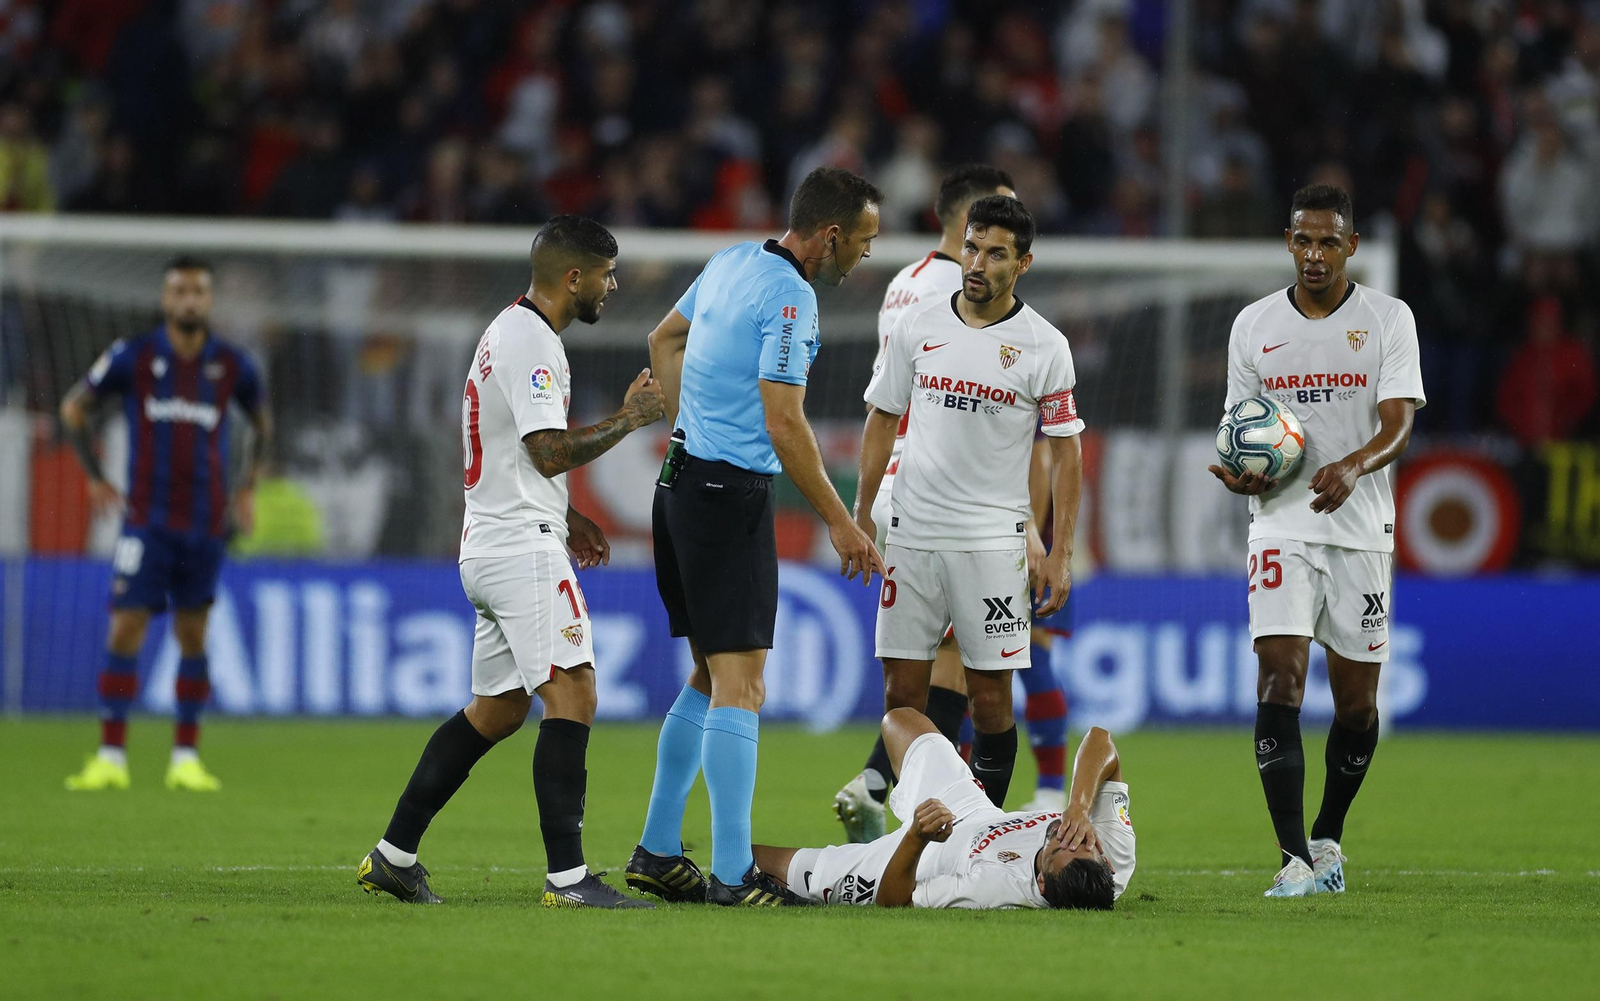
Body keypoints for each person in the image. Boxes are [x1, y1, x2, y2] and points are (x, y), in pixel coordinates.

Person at [356, 216, 666, 908]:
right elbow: (547, 451)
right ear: (574, 277)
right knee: (575, 691)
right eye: (607, 274)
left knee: (496, 709)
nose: (613, 287)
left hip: (495, 539)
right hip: (518, 545)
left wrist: (569, 514)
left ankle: (393, 854)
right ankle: (569, 879)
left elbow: (519, 455)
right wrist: (632, 417)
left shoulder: (512, 330)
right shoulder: (531, 341)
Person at [626, 166, 886, 907]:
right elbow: (784, 420)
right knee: (744, 684)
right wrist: (841, 522)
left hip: (678, 484)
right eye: (862, 242)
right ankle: (735, 872)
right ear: (830, 235)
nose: (864, 256)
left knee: (710, 676)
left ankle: (657, 847)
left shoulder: (730, 261)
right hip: (725, 495)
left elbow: (662, 336)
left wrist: (685, 426)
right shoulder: (792, 297)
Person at [834, 165, 1076, 837]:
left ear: (1019, 261)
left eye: (998, 249)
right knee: (959, 681)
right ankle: (957, 810)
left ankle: (898, 794)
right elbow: (885, 410)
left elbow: (1062, 442)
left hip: (940, 501)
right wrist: (1035, 533)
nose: (981, 260)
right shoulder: (936, 302)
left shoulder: (902, 284)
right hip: (928, 498)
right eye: (979, 241)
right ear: (963, 225)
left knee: (961, 678)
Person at [1208, 184, 1425, 898]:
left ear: (1352, 246)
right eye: (1303, 239)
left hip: (1361, 530)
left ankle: (1328, 834)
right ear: (1288, 240)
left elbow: (1398, 421)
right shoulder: (1254, 325)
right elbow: (1245, 426)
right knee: (1279, 679)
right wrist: (1245, 477)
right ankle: (1292, 855)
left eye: (1329, 240)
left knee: (1358, 705)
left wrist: (1353, 464)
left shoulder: (1389, 319)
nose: (1314, 254)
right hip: (1279, 522)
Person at [61, 256, 271, 793]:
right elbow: (73, 408)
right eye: (180, 291)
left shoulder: (232, 364)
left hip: (205, 525)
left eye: (199, 291)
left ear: (209, 300)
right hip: (145, 523)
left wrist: (247, 487)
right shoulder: (134, 356)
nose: (189, 301)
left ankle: (185, 758)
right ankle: (110, 754)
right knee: (126, 626)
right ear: (164, 299)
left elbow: (264, 422)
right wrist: (93, 476)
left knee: (193, 634)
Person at [752, 707, 1135, 909]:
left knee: (756, 863)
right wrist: (1080, 806)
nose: (1067, 839)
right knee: (900, 721)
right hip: (971, 809)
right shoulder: (1112, 855)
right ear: (1103, 858)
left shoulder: (995, 890)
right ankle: (873, 798)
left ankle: (709, 875)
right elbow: (1101, 740)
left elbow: (893, 902)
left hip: (914, 855)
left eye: (1059, 852)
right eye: (1083, 844)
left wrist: (916, 838)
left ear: (1039, 884)